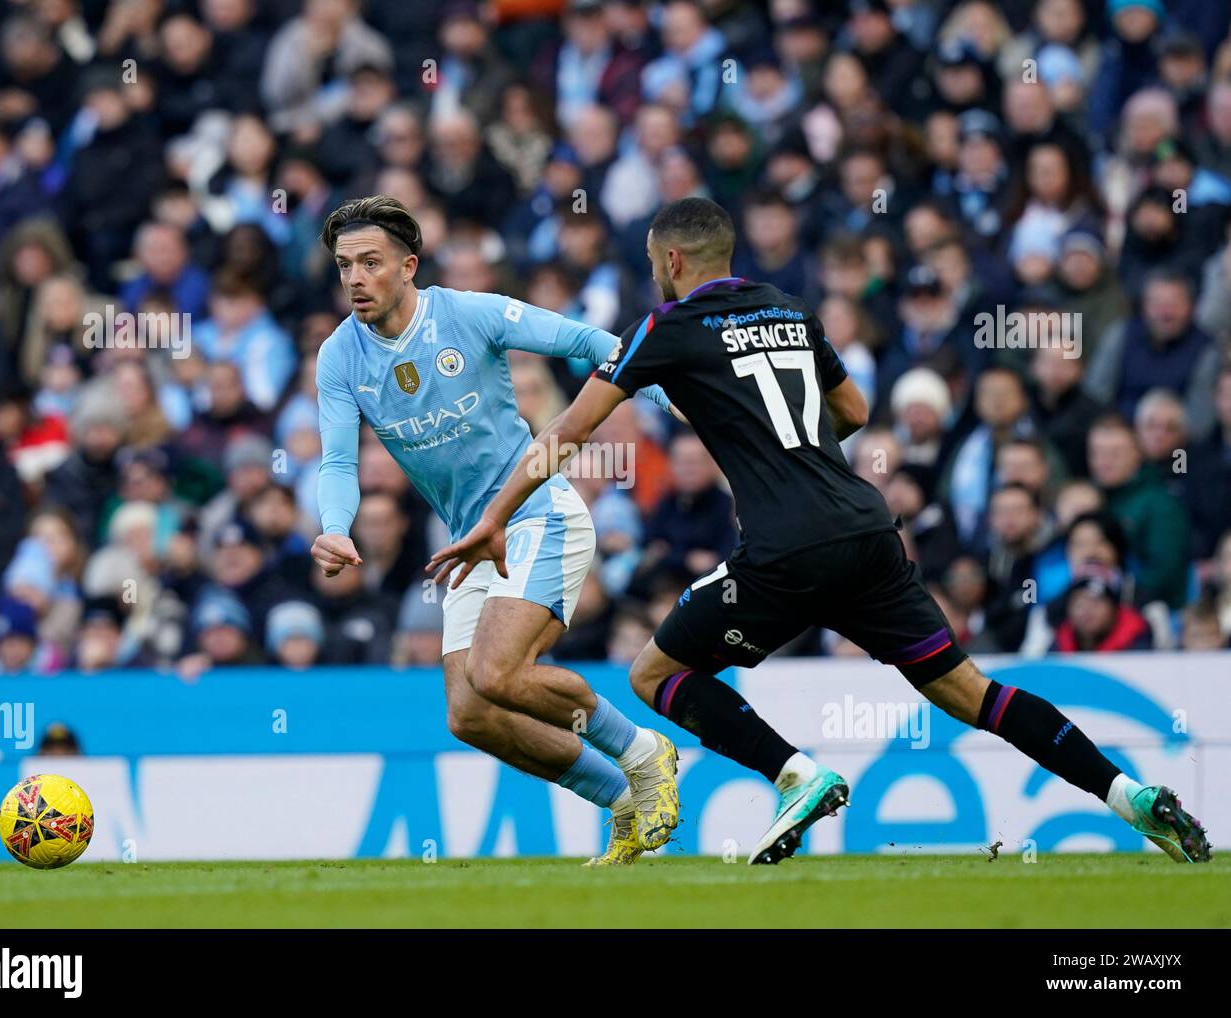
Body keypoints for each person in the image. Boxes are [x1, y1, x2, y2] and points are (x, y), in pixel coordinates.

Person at [430, 196, 1211, 866]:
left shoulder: (665, 326)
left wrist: (493, 517)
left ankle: (795, 774)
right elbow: (854, 414)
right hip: (868, 530)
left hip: (784, 546)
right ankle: (1129, 794)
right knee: (975, 693)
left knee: (655, 675)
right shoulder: (788, 308)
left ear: (670, 259)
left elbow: (566, 430)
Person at [311, 195, 679, 867]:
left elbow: (587, 342)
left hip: (537, 514)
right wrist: (334, 526)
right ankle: (621, 801)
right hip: (471, 540)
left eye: (370, 263)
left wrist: (670, 397)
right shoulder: (340, 358)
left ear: (408, 266)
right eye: (344, 267)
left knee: (499, 672)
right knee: (469, 713)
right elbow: (337, 459)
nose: (355, 279)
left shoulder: (467, 313)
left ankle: (645, 753)